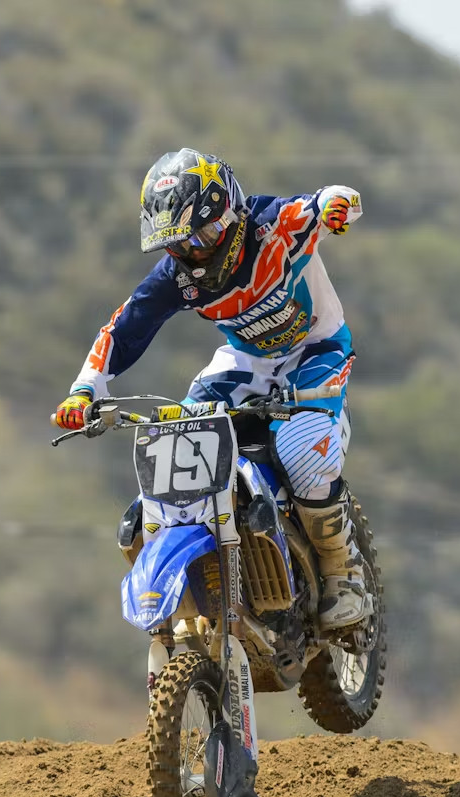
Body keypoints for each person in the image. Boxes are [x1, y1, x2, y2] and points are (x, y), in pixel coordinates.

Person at [53, 149, 366, 628]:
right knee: (174, 450)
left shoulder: (276, 226)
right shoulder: (177, 277)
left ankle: (343, 571)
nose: (197, 251)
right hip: (247, 363)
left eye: (206, 233)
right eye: (181, 244)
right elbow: (124, 328)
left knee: (302, 454)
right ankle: (202, 580)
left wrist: (337, 207)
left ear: (231, 212)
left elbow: (328, 201)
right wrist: (83, 391)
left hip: (316, 350)